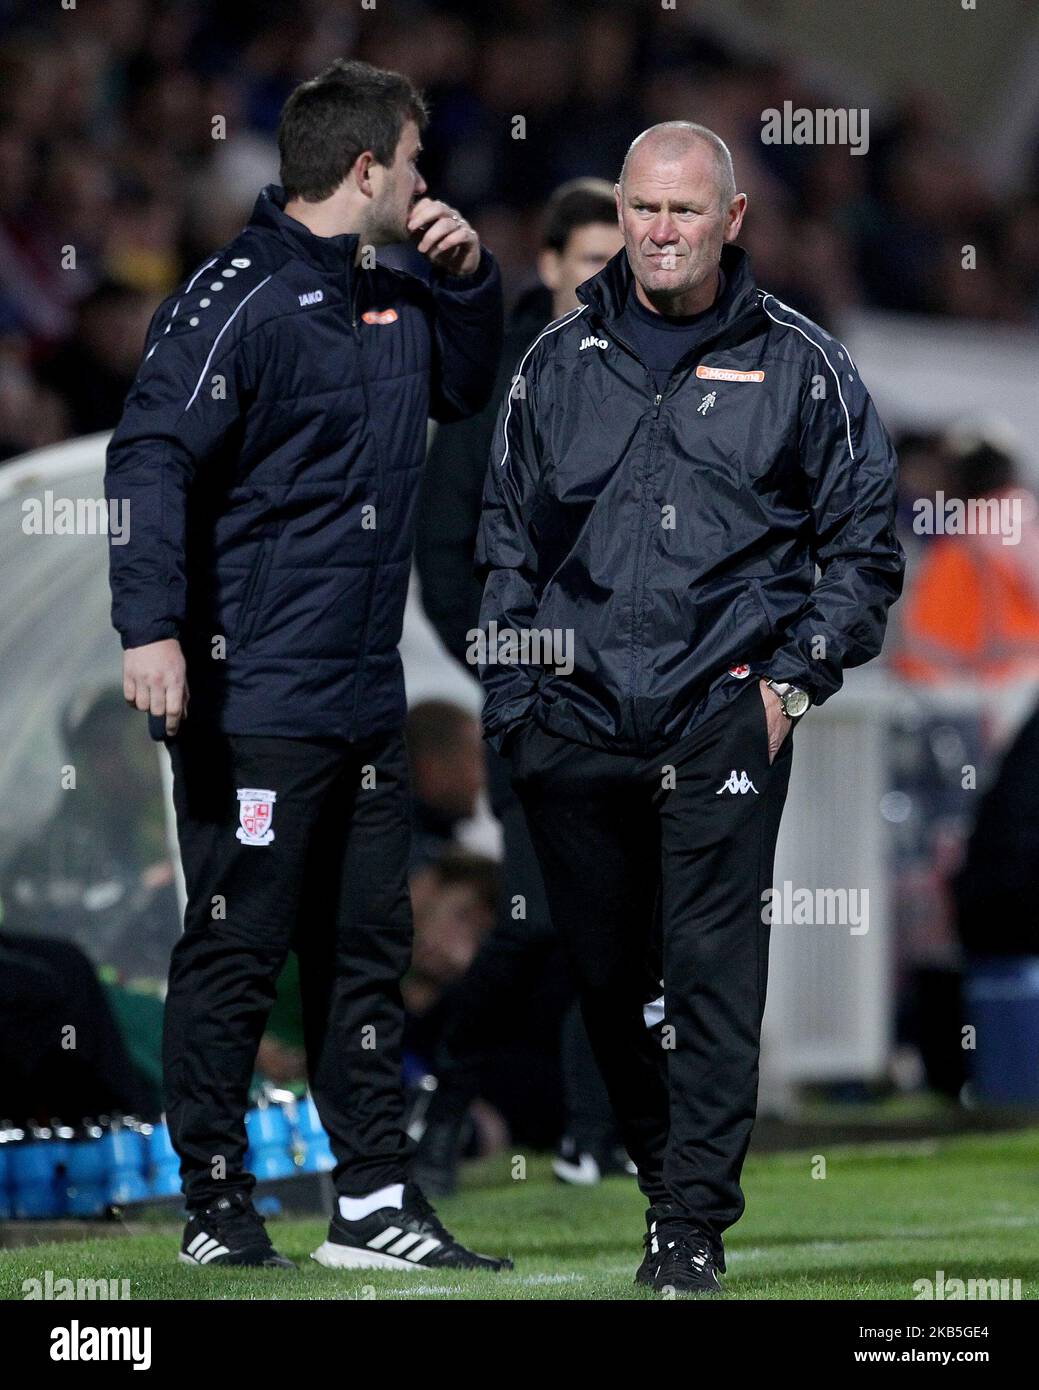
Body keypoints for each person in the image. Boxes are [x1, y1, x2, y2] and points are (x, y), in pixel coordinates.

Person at [476, 122, 905, 1294]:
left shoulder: (803, 364)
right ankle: (667, 1180)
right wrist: (513, 704)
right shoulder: (552, 360)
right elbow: (505, 546)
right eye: (643, 209)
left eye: (683, 210)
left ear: (731, 220)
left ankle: (688, 1222)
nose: (660, 232)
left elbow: (864, 547)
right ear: (621, 213)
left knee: (713, 974)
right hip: (569, 725)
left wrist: (788, 681)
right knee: (610, 980)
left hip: (722, 712)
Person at [105, 58, 510, 1274]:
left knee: (365, 955)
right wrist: (150, 628)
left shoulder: (394, 288)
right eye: (417, 158)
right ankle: (215, 1203)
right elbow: (146, 461)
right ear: (366, 167)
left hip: (362, 698)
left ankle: (372, 1202)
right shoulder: (233, 296)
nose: (429, 180)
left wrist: (473, 279)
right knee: (237, 945)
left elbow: (462, 381)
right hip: (255, 697)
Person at [414, 180, 633, 1193]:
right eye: (588, 261)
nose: (604, 281)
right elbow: (444, 554)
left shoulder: (647, 377)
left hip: (628, 700)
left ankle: (597, 1132)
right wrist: (508, 667)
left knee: (622, 915)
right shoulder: (491, 388)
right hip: (529, 697)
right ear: (546, 264)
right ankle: (438, 1082)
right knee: (538, 916)